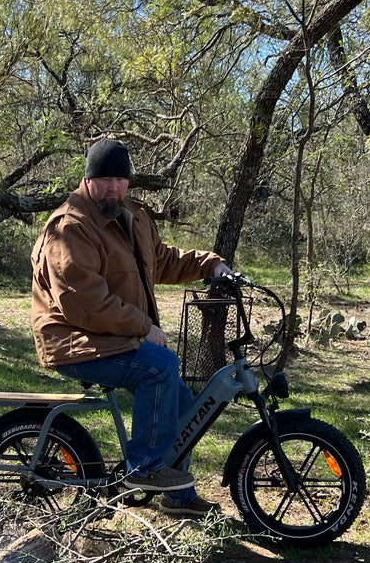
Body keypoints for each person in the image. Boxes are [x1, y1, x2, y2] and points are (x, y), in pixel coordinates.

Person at [30, 138, 230, 516]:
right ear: (88, 179)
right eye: (104, 179)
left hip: (111, 337)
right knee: (160, 366)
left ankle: (178, 498)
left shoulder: (132, 216)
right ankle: (146, 469)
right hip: (75, 341)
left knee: (186, 406)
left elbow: (163, 260)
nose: (113, 188)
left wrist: (211, 265)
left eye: (120, 180)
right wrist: (142, 327)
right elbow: (83, 302)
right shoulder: (71, 227)